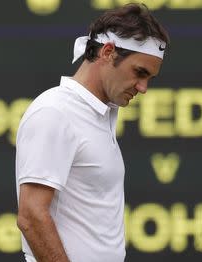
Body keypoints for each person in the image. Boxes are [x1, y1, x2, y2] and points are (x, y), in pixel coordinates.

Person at [15, 3, 170, 262]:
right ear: (108, 52)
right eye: (139, 72)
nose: (143, 88)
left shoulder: (99, 114)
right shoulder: (56, 111)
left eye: (149, 79)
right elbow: (31, 216)